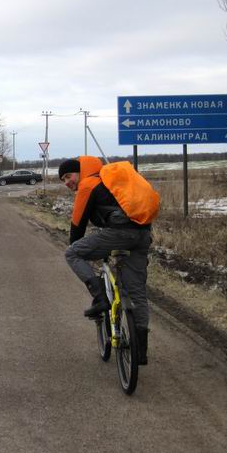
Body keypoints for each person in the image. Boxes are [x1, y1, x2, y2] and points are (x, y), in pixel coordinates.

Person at [59, 156, 154, 365]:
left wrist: (83, 248)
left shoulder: (89, 183)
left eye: (68, 176)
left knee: (72, 253)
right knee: (136, 293)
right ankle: (139, 351)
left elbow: (77, 229)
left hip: (120, 233)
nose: (67, 182)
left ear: (80, 171)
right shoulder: (107, 180)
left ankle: (100, 297)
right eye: (63, 180)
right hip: (142, 234)